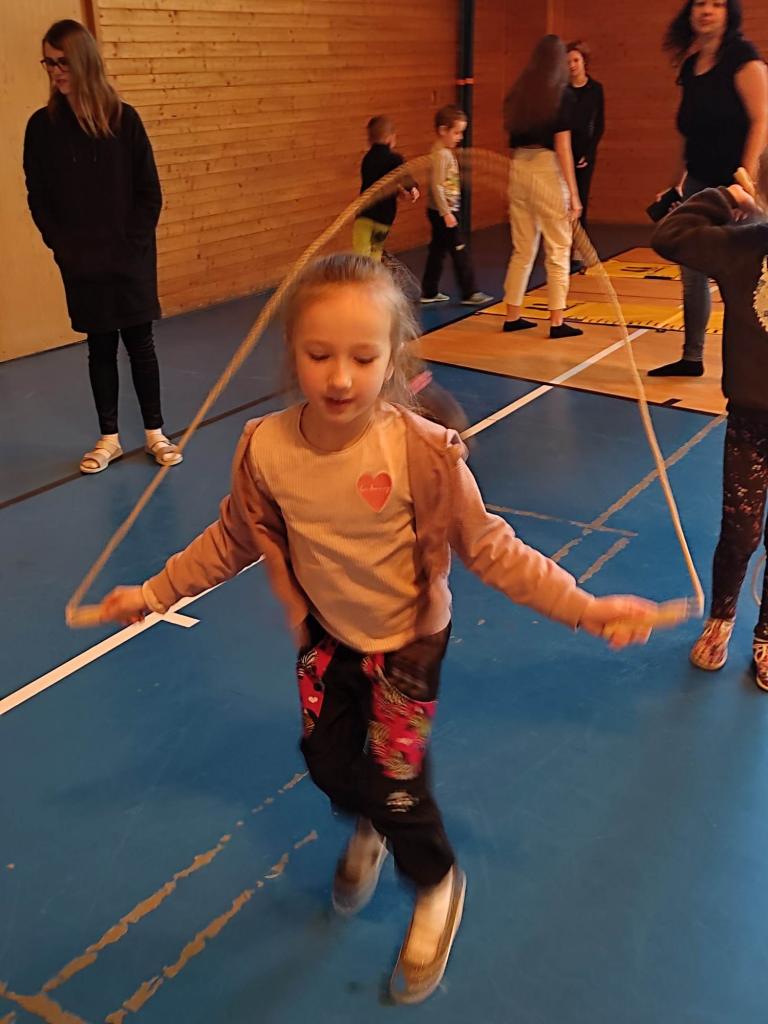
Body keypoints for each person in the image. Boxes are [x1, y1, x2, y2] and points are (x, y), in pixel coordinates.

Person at [93, 253, 658, 1003]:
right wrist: (155, 592)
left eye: (363, 358)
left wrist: (584, 607)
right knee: (328, 762)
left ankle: (436, 881)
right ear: (292, 352)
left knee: (397, 786)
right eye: (319, 355)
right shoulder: (267, 450)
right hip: (329, 637)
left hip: (408, 645)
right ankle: (372, 822)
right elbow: (232, 537)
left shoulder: (421, 453)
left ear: (394, 358)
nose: (339, 378)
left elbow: (491, 547)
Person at [23, 19, 182, 474]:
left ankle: (155, 432)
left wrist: (130, 248)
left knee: (140, 345)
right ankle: (108, 437)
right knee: (100, 347)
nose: (55, 71)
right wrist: (64, 248)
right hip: (82, 264)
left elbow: (149, 193)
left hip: (130, 261)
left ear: (85, 62)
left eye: (63, 62)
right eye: (48, 63)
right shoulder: (42, 127)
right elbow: (39, 196)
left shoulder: (124, 120)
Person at [652, 150, 768, 689]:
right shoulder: (744, 246)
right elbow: (670, 235)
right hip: (751, 422)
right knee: (740, 532)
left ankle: (766, 634)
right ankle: (721, 619)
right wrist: (725, 197)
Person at [648, 0, 768, 378]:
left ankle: (755, 368)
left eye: (717, 4)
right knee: (692, 272)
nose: (707, 11)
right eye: (701, 3)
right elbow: (690, 134)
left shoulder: (743, 58)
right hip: (700, 184)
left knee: (749, 279)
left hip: (740, 186)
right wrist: (675, 184)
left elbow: (761, 120)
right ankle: (692, 357)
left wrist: (745, 184)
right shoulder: (691, 66)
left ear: (729, 13)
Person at [502, 35, 584, 340]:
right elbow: (563, 147)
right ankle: (557, 320)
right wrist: (573, 194)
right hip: (546, 168)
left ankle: (512, 315)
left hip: (519, 167)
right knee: (559, 246)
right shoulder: (561, 93)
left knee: (523, 248)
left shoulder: (519, 92)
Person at [420, 105, 493, 306]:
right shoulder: (441, 155)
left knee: (437, 250)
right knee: (459, 249)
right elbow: (436, 186)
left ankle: (429, 290)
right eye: (457, 132)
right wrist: (446, 213)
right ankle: (470, 291)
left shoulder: (442, 152)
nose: (460, 137)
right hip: (445, 212)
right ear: (443, 130)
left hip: (440, 211)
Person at [352, 115, 419, 262]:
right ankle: (372, 273)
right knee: (376, 250)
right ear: (391, 138)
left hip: (365, 214)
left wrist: (398, 190)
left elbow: (376, 182)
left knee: (361, 252)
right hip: (383, 217)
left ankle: (362, 273)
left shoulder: (367, 159)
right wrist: (412, 188)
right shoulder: (395, 159)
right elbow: (405, 177)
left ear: (369, 140)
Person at [566, 41, 605, 234]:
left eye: (576, 60)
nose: (572, 65)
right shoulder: (563, 89)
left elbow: (599, 124)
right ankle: (564, 241)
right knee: (564, 198)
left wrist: (589, 153)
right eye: (568, 62)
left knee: (581, 196)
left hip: (584, 151)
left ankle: (579, 242)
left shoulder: (595, 89)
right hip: (564, 148)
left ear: (584, 62)